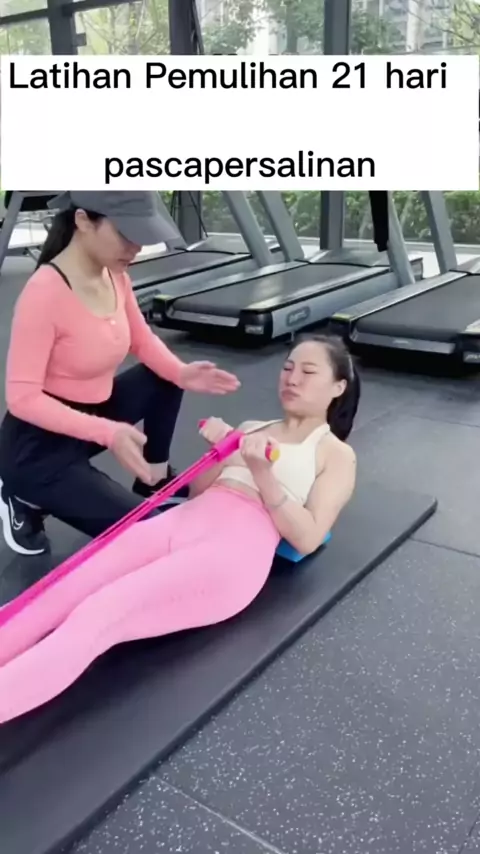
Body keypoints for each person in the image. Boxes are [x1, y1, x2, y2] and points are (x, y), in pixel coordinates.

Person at [0, 333, 359, 724]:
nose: (292, 378)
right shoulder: (253, 427)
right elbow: (200, 492)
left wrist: (263, 475)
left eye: (308, 371)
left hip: (230, 554)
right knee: (58, 590)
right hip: (180, 522)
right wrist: (218, 454)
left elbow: (307, 538)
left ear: (338, 387)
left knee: (98, 614)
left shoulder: (336, 455)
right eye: (288, 368)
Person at [0, 191, 240, 557]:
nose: (136, 247)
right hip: (37, 451)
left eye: (142, 236)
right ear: (83, 221)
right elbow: (22, 399)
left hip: (90, 418)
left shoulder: (115, 275)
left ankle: (154, 481)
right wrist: (109, 432)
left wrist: (181, 373)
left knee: (163, 376)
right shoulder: (43, 293)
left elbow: (141, 340)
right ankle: (21, 495)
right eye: (126, 234)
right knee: (151, 533)